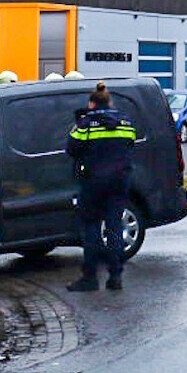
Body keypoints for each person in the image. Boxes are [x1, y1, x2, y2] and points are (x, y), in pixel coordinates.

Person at [64, 83, 138, 291]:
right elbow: (130, 144)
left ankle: (90, 278)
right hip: (119, 182)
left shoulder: (86, 125)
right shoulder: (125, 122)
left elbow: (71, 148)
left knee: (92, 229)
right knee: (114, 227)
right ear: (110, 102)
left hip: (93, 183)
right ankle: (115, 277)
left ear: (92, 103)